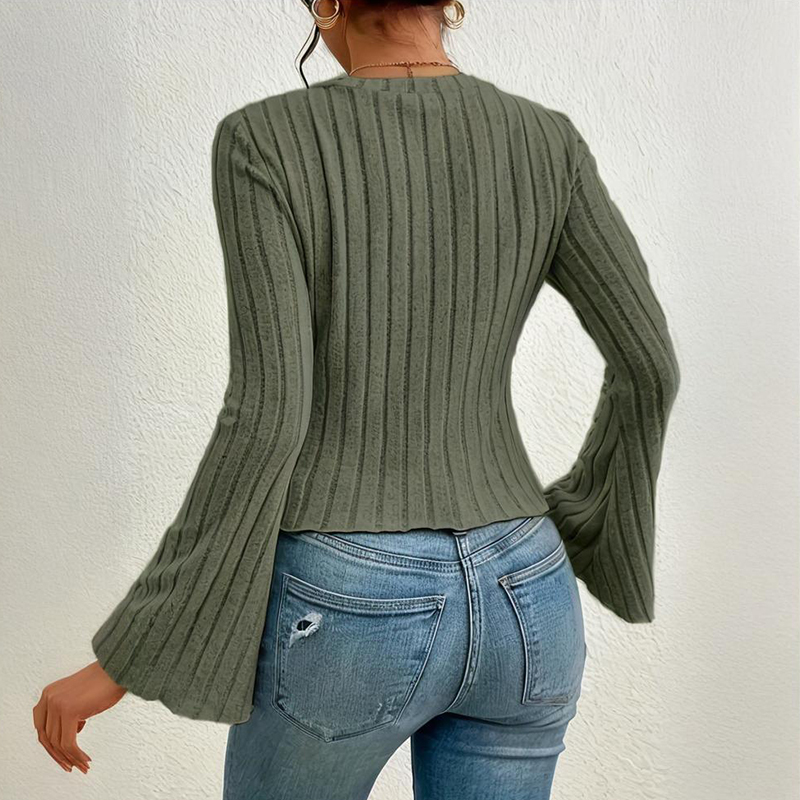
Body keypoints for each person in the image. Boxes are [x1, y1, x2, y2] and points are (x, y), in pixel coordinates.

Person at [33, 1, 681, 797]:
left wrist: (127, 656)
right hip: (527, 585)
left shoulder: (265, 140)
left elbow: (268, 415)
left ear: (329, 4)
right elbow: (650, 366)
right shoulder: (547, 140)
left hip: (350, 599)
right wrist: (579, 516)